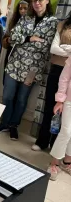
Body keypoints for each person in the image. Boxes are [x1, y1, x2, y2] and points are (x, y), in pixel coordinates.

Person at [0, 0, 58, 140]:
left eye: (40, 0)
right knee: (8, 96)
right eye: (35, 0)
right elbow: (12, 38)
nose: (37, 3)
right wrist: (31, 38)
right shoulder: (25, 18)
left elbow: (46, 46)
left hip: (33, 68)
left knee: (22, 99)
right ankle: (4, 122)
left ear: (47, 1)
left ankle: (13, 125)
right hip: (14, 64)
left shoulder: (53, 22)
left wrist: (23, 41)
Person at [32, 15, 71, 151]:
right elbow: (53, 49)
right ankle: (42, 141)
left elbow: (59, 49)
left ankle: (57, 146)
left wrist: (65, 49)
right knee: (50, 106)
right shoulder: (63, 24)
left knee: (67, 110)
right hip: (57, 69)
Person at [46, 57, 71, 180]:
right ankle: (54, 163)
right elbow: (64, 78)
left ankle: (67, 162)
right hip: (69, 100)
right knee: (66, 132)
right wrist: (60, 100)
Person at [2, 0, 30, 70]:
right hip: (12, 52)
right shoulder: (14, 21)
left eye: (25, 8)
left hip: (26, 57)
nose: (22, 11)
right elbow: (5, 38)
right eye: (20, 8)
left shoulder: (33, 23)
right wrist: (8, 40)